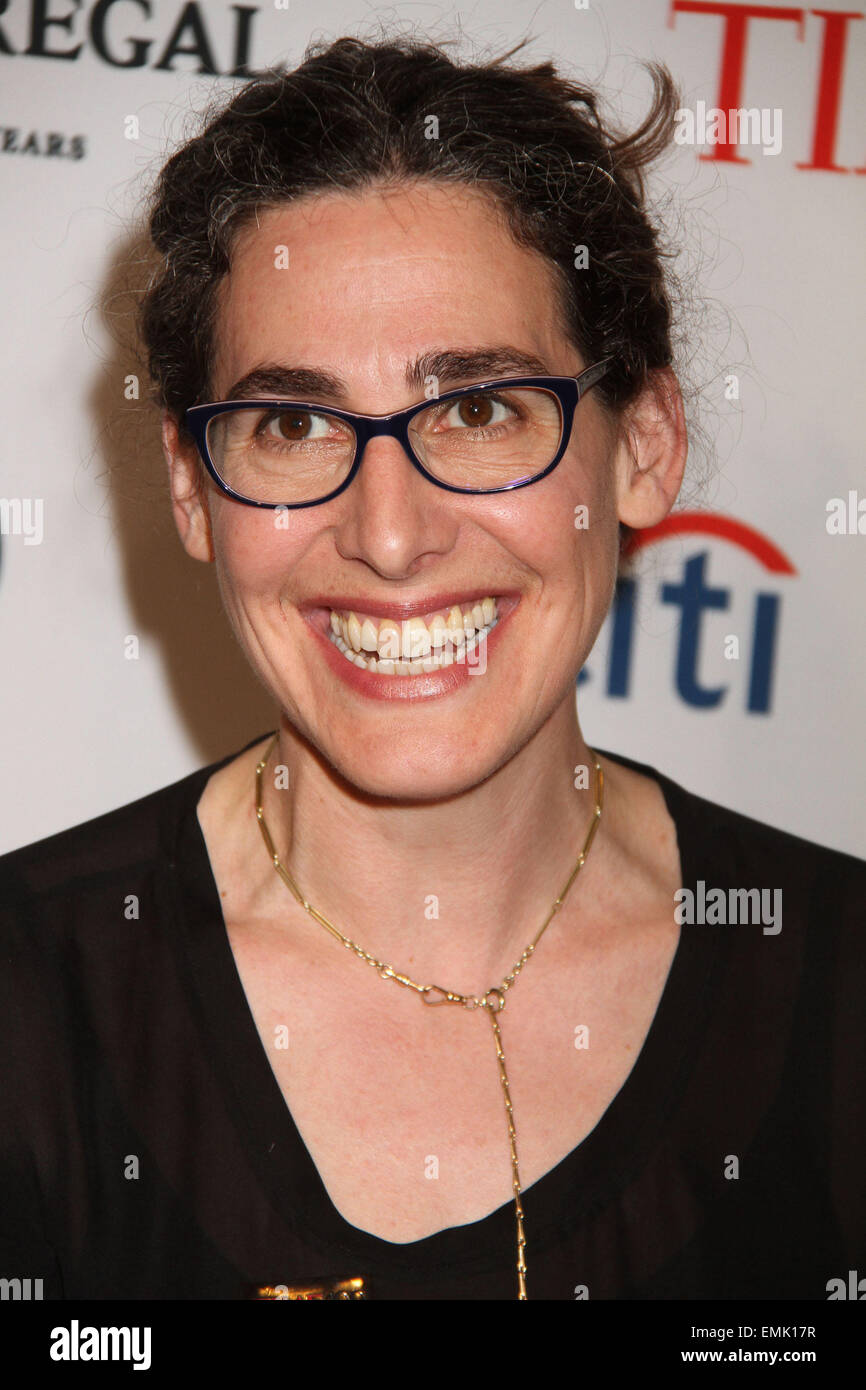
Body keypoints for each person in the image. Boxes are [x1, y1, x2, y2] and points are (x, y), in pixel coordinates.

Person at [0, 34, 863, 1303]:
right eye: (291, 425)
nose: (389, 535)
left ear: (646, 445)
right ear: (193, 493)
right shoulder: (30, 1004)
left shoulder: (838, 983)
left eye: (477, 409)